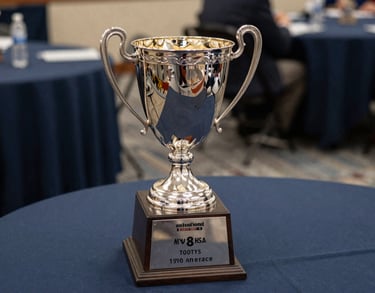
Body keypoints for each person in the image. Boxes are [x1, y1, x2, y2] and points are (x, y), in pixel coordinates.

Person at [198, 0, 306, 137]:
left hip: (217, 78)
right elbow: (281, 46)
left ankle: (252, 118)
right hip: (252, 80)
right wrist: (284, 26)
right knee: (299, 70)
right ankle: (279, 129)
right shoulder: (256, 2)